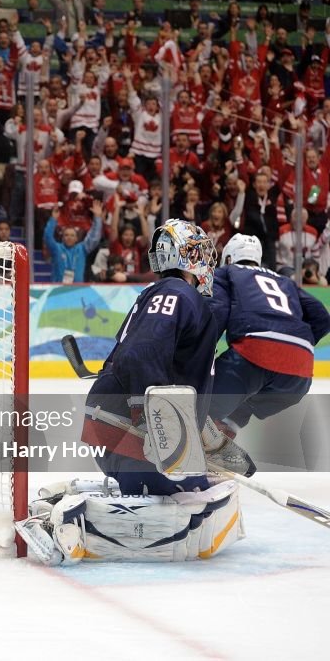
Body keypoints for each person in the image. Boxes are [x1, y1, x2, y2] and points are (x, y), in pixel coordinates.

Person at [20, 220, 243, 565]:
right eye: (203, 252)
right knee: (196, 495)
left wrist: (202, 436)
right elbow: (141, 355)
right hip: (128, 427)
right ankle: (62, 521)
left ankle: (74, 497)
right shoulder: (176, 293)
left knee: (203, 482)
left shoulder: (166, 294)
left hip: (123, 424)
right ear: (189, 255)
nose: (209, 262)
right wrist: (151, 418)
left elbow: (159, 368)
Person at [208, 234, 330, 437]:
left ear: (229, 258)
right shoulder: (283, 280)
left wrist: (204, 352)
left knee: (205, 402)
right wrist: (296, 345)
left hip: (255, 352)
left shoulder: (227, 272)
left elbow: (217, 310)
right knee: (246, 403)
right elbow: (322, 317)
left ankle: (198, 434)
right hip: (299, 373)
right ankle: (225, 434)